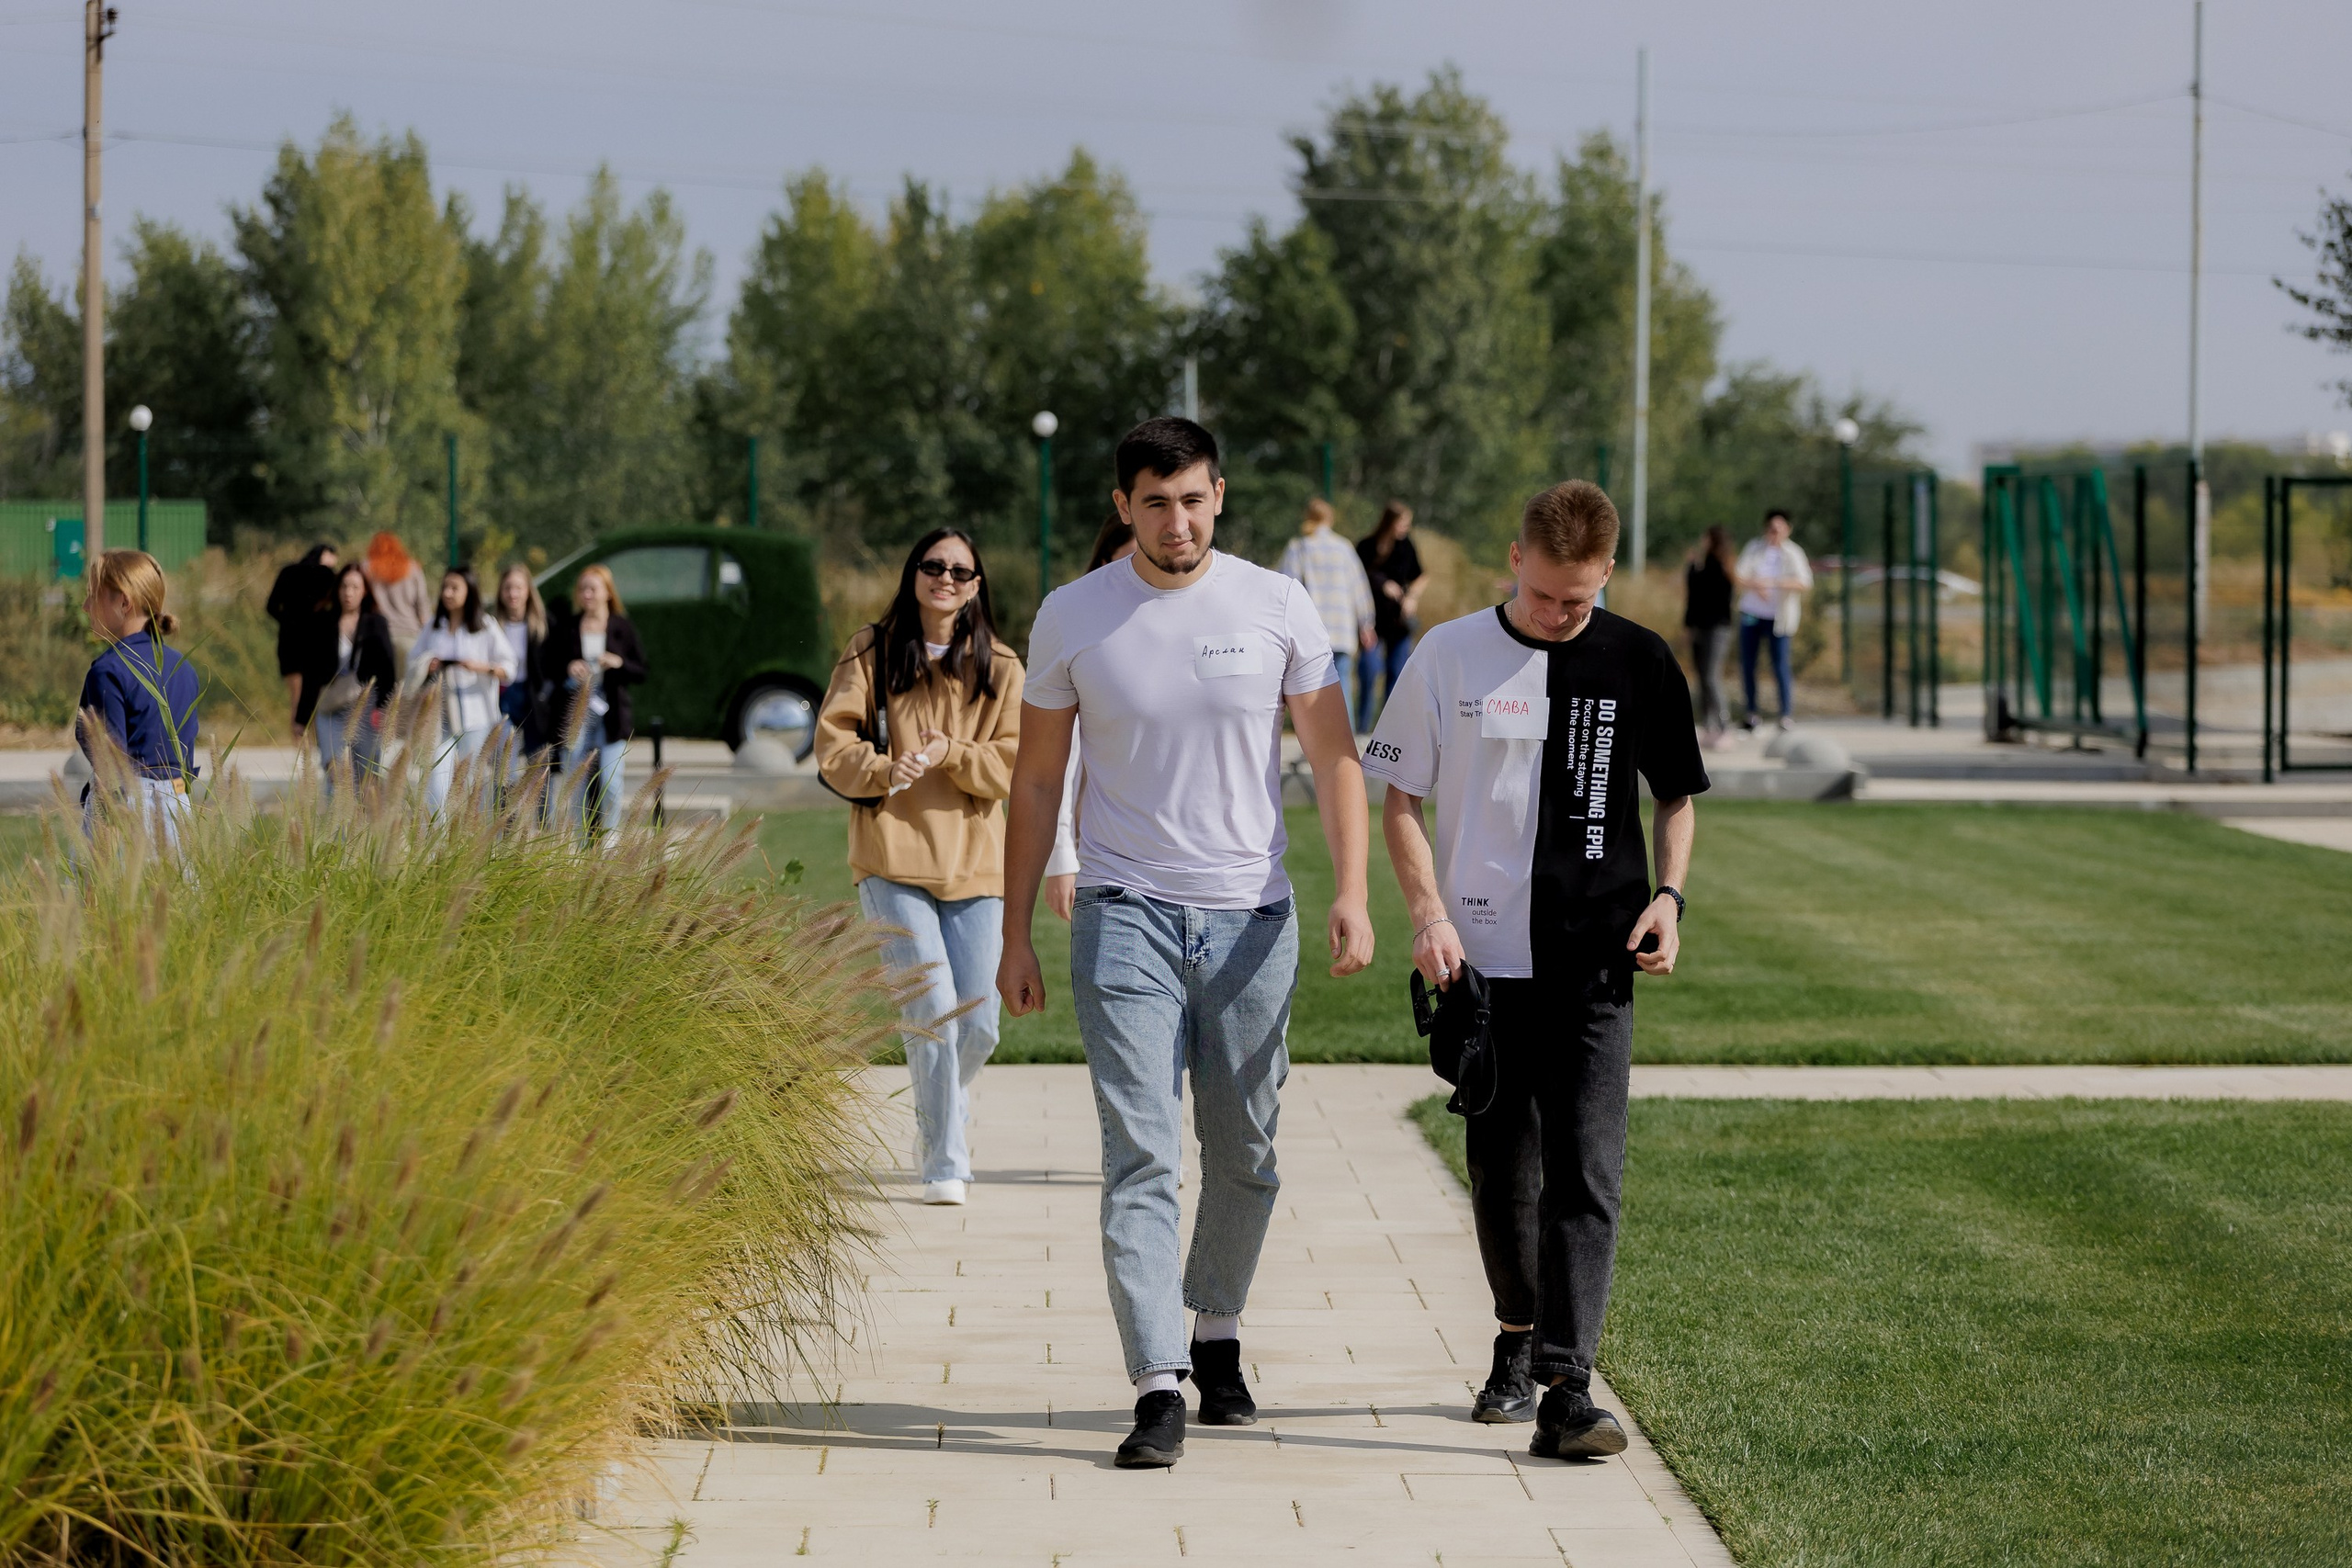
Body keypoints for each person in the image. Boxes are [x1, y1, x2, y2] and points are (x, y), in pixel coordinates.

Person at [999, 417, 1374, 1471]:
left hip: (1252, 919)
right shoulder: (1074, 614)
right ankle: (1156, 1380)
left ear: (1219, 497)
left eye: (1194, 500)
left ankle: (1216, 1330)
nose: (1178, 522)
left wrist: (1352, 891)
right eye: (1156, 503)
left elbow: (1334, 758)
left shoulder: (1277, 603)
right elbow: (1037, 779)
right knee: (1141, 1155)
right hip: (1123, 914)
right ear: (1123, 505)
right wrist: (1014, 930)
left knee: (1246, 1153)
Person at [1362, 479, 1706, 1462]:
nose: (1560, 613)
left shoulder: (1639, 659)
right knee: (1502, 1170)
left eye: (1580, 597)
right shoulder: (1448, 654)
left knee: (1587, 1171)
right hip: (1482, 966)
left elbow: (1676, 796)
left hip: (1596, 960)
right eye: (1547, 593)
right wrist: (1427, 915)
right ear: (1515, 559)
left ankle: (1567, 1382)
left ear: (1607, 573)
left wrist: (1669, 897)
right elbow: (1400, 799)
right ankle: (1516, 1334)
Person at [817, 528, 1023, 1208]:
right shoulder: (871, 651)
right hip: (891, 858)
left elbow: (1012, 766)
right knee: (933, 1012)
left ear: (975, 586)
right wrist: (885, 768)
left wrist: (951, 754)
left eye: (960, 571)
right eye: (933, 566)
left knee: (980, 1023)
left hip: (976, 864)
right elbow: (832, 744)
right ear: (914, 575)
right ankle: (944, 1161)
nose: (946, 578)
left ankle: (941, 1109)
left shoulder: (1001, 666)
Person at [1041, 514, 1136, 923]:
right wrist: (1061, 855)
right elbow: (1059, 761)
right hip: (1108, 855)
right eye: (1131, 559)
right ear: (1103, 565)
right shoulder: (1083, 634)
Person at [77, 549, 200, 847]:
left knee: (105, 880)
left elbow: (111, 767)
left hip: (127, 812)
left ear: (123, 602)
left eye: (93, 595)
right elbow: (185, 755)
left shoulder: (108, 670)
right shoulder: (184, 667)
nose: (85, 606)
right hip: (180, 807)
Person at [541, 564, 648, 851]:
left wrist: (619, 663)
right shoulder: (567, 627)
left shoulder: (621, 627)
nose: (586, 594)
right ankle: (578, 842)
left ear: (607, 593)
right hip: (575, 712)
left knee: (611, 782)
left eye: (593, 589)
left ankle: (609, 840)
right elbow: (548, 666)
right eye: (582, 589)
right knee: (575, 782)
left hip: (611, 716)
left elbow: (642, 670)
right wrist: (568, 667)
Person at [413, 566, 515, 818]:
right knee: (437, 781)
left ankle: (468, 837)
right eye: (445, 587)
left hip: (476, 716)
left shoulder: (485, 626)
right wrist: (429, 664)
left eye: (455, 588)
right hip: (440, 714)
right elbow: (412, 660)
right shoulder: (434, 626)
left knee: (471, 784)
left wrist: (481, 667)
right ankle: (438, 836)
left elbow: (510, 668)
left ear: (469, 592)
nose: (448, 593)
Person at [294, 562, 398, 795]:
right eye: (344, 586)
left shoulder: (375, 624)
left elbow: (387, 669)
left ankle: (364, 818)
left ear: (365, 591)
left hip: (366, 706)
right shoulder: (323, 622)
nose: (348, 593)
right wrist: (302, 717)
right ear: (337, 589)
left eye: (355, 587)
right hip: (330, 706)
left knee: (367, 777)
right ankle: (337, 818)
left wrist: (384, 708)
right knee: (335, 774)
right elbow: (311, 674)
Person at [1276, 497, 1376, 725]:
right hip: (1342, 629)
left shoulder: (1299, 547)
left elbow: (1285, 587)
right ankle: (1346, 739)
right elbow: (1359, 588)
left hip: (1312, 630)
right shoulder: (1344, 548)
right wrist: (1366, 622)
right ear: (1330, 518)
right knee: (1342, 684)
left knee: (1311, 689)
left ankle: (1316, 741)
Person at [1734, 508, 1814, 732]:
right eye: (1771, 528)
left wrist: (1774, 583)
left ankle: (1785, 714)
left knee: (1780, 665)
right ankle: (1751, 713)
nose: (1774, 533)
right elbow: (1739, 574)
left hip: (1779, 618)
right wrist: (1756, 585)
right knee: (1748, 663)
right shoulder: (1754, 548)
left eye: (1779, 529)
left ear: (1788, 530)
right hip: (1752, 614)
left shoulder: (1793, 553)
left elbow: (1804, 582)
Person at [1356, 501, 1424, 730]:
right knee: (1369, 671)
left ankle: (1389, 730)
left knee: (1397, 675)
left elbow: (1421, 575)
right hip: (1371, 622)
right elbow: (1357, 577)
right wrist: (1382, 584)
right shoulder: (1366, 546)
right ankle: (1362, 729)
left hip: (1398, 623)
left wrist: (1412, 597)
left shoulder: (1406, 546)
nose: (1406, 527)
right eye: (1403, 522)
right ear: (1390, 521)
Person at [266, 543, 337, 737]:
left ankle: (299, 746)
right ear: (325, 555)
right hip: (316, 642)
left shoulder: (287, 572)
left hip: (289, 641)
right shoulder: (327, 575)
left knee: (296, 698)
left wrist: (288, 621)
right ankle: (313, 743)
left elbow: (271, 606)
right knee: (313, 696)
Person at [492, 565, 552, 784]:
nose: (513, 594)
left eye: (518, 588)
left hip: (533, 697)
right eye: (507, 588)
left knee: (538, 766)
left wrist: (546, 693)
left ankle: (542, 808)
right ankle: (504, 806)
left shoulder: (543, 624)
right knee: (504, 767)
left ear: (528, 591)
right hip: (503, 696)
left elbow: (554, 665)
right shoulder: (492, 626)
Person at [1682, 525, 1736, 749]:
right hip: (1700, 627)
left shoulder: (1720, 567)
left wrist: (1692, 570)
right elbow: (1693, 598)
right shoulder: (1704, 566)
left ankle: (1724, 727)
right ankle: (1709, 726)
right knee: (1703, 677)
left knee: (1712, 677)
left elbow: (1702, 594)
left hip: (1717, 629)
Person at [365, 532, 433, 678]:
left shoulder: (367, 568)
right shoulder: (413, 568)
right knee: (405, 687)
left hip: (380, 636)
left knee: (381, 685)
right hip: (410, 634)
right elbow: (422, 605)